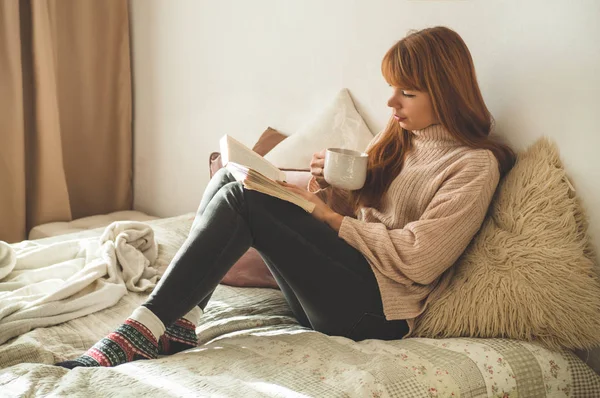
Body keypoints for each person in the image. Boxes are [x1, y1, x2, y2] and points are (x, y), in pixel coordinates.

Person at [57, 26, 514, 369]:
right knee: (233, 180)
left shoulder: (473, 165)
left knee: (244, 200)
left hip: (377, 311)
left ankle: (140, 330)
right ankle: (179, 321)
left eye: (406, 93)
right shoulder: (399, 136)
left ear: (448, 93)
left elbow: (419, 258)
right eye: (391, 89)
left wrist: (328, 218)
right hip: (338, 286)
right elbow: (360, 215)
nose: (391, 103)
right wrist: (331, 193)